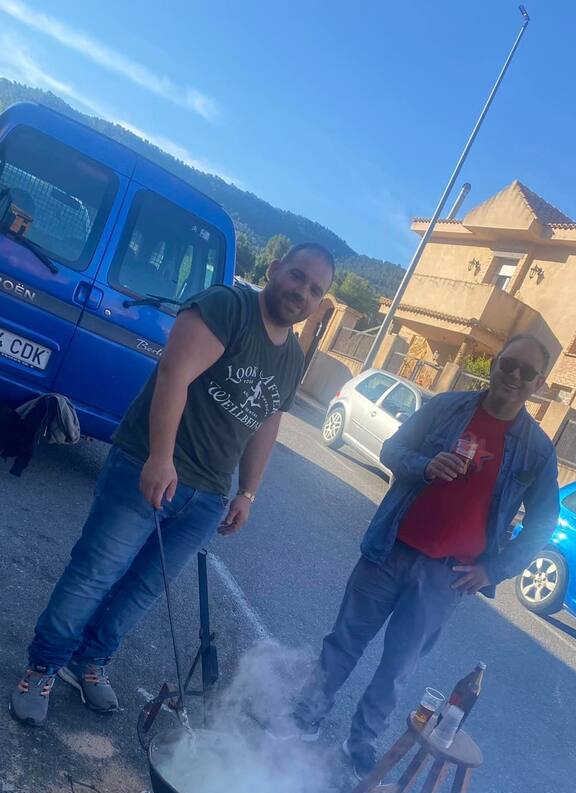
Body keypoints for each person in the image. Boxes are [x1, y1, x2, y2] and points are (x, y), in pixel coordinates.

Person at [11, 243, 335, 726]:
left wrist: (247, 492)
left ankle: (89, 662)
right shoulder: (228, 306)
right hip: (151, 463)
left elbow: (267, 424)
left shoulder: (291, 358)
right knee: (95, 573)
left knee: (142, 589)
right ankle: (43, 667)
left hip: (207, 494)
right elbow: (174, 373)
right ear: (273, 271)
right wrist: (160, 456)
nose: (301, 293)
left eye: (315, 290)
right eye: (297, 277)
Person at [293, 333, 560, 773]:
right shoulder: (446, 407)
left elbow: (543, 522)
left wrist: (494, 570)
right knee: (344, 642)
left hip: (446, 577)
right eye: (508, 364)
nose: (514, 375)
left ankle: (359, 742)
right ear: (495, 364)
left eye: (527, 372)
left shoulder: (537, 449)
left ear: (539, 384)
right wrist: (425, 465)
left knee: (398, 667)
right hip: (390, 549)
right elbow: (392, 449)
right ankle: (304, 719)